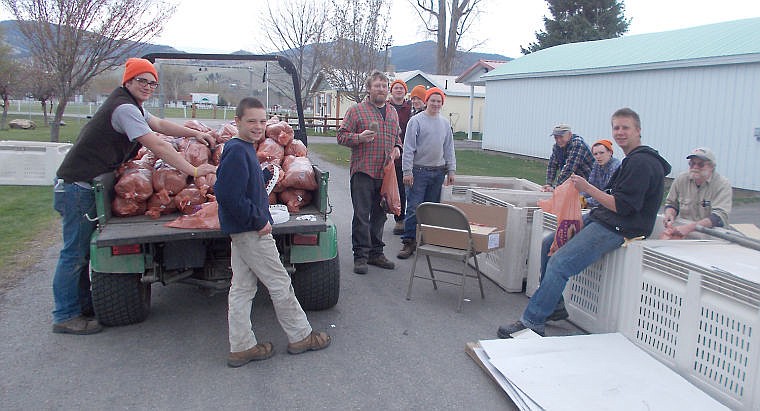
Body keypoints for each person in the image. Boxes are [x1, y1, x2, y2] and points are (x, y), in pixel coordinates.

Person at [52, 58, 217, 335]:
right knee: (75, 254)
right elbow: (156, 144)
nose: (148, 87)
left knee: (80, 254)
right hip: (77, 188)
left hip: (85, 186)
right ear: (127, 81)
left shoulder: (132, 106)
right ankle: (65, 315)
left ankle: (82, 306)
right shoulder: (124, 108)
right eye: (142, 81)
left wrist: (196, 134)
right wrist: (194, 169)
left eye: (152, 83)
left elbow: (160, 124)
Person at [497, 108, 671, 338]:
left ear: (638, 130)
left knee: (560, 262)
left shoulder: (642, 164)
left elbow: (623, 206)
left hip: (620, 227)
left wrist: (587, 189)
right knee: (549, 246)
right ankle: (555, 308)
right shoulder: (632, 161)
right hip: (604, 217)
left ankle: (533, 321)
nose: (620, 132)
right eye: (616, 127)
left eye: (625, 128)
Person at [215, 97, 330, 368]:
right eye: (251, 121)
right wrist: (258, 220)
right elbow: (227, 194)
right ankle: (301, 336)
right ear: (237, 122)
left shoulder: (243, 149)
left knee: (242, 288)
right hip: (250, 231)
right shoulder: (237, 151)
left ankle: (241, 347)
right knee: (279, 283)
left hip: (242, 230)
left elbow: (239, 189)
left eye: (262, 121)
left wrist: (262, 179)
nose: (258, 126)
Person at [337, 70, 402, 275]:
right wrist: (359, 138)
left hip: (385, 173)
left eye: (384, 86)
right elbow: (341, 136)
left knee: (380, 215)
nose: (381, 89)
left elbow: (397, 139)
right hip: (363, 171)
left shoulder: (392, 112)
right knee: (362, 215)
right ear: (369, 88)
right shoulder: (356, 111)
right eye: (377, 85)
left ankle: (376, 253)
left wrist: (397, 149)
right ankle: (360, 256)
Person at [397, 87, 456, 259]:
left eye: (439, 101)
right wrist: (407, 171)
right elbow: (408, 148)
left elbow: (449, 148)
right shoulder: (416, 121)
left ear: (442, 103)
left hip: (438, 172)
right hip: (418, 171)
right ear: (426, 102)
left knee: (431, 209)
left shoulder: (445, 123)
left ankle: (426, 240)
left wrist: (451, 169)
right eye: (433, 100)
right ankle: (408, 242)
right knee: (414, 208)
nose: (436, 104)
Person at [662, 147, 732, 238]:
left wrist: (690, 227)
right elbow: (672, 203)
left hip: (712, 236)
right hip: (685, 233)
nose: (695, 167)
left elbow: (719, 217)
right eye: (692, 163)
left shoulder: (722, 184)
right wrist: (669, 214)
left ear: (711, 167)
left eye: (700, 164)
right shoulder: (681, 179)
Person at [388, 79, 413, 235]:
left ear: (405, 91)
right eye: (396, 88)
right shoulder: (386, 106)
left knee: (402, 189)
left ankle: (400, 220)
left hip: (406, 153)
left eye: (401, 88)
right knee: (385, 188)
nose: (398, 90)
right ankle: (378, 218)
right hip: (387, 153)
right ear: (392, 91)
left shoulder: (410, 108)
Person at [542, 124, 594, 192]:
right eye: (556, 137)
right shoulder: (557, 147)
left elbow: (569, 169)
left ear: (570, 134)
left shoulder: (578, 144)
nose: (558, 140)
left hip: (590, 182)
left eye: (561, 137)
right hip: (576, 182)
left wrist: (556, 188)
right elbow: (552, 166)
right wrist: (549, 184)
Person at [582, 139, 622, 208]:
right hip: (599, 202)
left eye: (601, 153)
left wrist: (586, 201)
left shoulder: (616, 167)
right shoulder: (596, 165)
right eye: (595, 154)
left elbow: (608, 193)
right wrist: (580, 197)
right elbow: (591, 185)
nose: (598, 156)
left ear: (610, 152)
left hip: (614, 205)